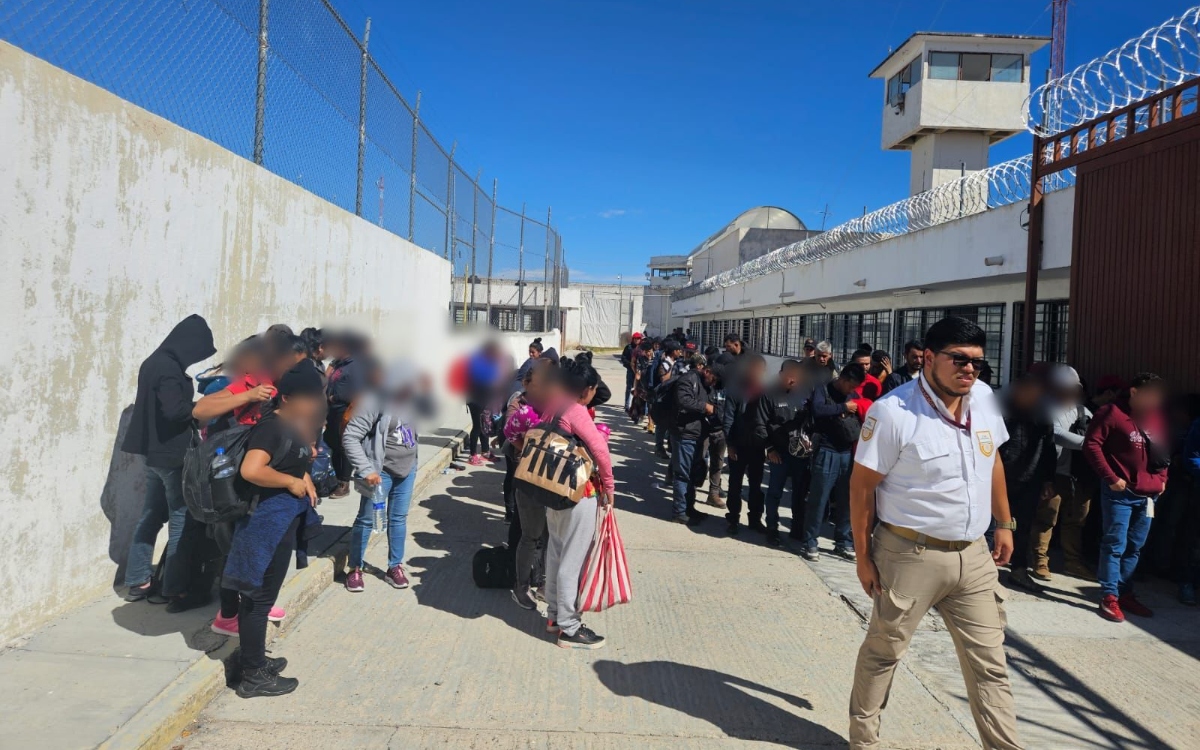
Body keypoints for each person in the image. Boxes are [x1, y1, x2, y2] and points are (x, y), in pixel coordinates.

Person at [848, 317, 1019, 750]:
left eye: (978, 363)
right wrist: (863, 557)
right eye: (958, 359)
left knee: (991, 665)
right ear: (927, 358)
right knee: (884, 654)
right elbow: (862, 487)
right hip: (909, 555)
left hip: (974, 557)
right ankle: (863, 741)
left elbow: (993, 460)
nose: (969, 371)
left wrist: (1004, 522)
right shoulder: (893, 412)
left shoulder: (983, 399)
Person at [224, 361, 324, 698]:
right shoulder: (271, 427)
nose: (314, 404)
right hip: (263, 525)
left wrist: (304, 476)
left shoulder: (289, 426)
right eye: (310, 398)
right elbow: (251, 470)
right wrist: (291, 481)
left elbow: (290, 462)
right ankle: (252, 675)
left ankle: (254, 660)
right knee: (256, 599)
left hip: (280, 523)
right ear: (288, 398)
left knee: (262, 598)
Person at [122, 315, 216, 604]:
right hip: (172, 455)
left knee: (150, 517)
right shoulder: (169, 369)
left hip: (154, 454)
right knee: (181, 519)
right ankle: (173, 587)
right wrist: (205, 406)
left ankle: (137, 580)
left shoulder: (153, 362)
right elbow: (175, 411)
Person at [538, 359, 615, 649]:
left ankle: (555, 616)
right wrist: (609, 486)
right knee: (573, 561)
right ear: (588, 390)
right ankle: (570, 627)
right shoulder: (577, 410)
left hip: (552, 490)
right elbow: (600, 450)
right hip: (578, 493)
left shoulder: (554, 405)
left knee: (556, 554)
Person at [1083, 372, 1170, 622]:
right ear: (1134, 392)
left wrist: (1163, 479)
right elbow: (1091, 445)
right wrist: (1111, 477)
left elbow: (1163, 449)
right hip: (1120, 493)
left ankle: (1125, 591)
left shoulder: (1156, 418)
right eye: (1150, 396)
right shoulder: (1112, 413)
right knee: (1115, 544)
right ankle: (1109, 595)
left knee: (1135, 546)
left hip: (1149, 495)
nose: (1154, 402)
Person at [341, 363, 430, 593]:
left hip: (406, 469)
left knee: (398, 518)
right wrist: (365, 469)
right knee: (366, 520)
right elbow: (350, 437)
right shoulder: (373, 401)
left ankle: (395, 567)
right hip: (377, 472)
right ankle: (355, 569)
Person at [1029, 365, 1096, 581]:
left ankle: (1073, 563)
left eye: (1072, 388)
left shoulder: (1083, 411)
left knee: (1076, 520)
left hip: (1078, 476)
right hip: (1053, 472)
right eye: (1063, 388)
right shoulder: (1044, 407)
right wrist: (1090, 444)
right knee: (1046, 518)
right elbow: (1056, 434)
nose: (1068, 392)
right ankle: (1039, 560)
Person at [998, 374, 1058, 592]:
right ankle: (984, 572)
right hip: (999, 481)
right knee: (990, 528)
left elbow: (1049, 449)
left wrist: (1048, 480)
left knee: (1023, 528)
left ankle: (1019, 571)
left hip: (1030, 480)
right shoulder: (1000, 412)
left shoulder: (1042, 415)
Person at [800, 363, 865, 561]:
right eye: (851, 386)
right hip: (826, 451)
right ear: (843, 379)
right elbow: (818, 410)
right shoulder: (822, 389)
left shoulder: (853, 397)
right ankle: (810, 542)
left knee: (846, 500)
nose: (852, 391)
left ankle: (843, 542)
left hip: (846, 452)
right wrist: (842, 408)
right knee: (819, 499)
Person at [507, 362, 552, 608]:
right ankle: (521, 586)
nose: (543, 390)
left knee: (549, 535)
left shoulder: (557, 408)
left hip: (553, 483)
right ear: (526, 384)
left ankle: (545, 583)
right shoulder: (521, 409)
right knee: (530, 535)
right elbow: (510, 435)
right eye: (539, 385)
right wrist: (529, 449)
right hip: (528, 481)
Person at [755, 359, 812, 547]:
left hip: (800, 454)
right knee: (775, 492)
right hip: (778, 452)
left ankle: (797, 528)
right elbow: (760, 424)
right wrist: (769, 448)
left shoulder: (804, 393)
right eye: (791, 376)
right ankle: (772, 527)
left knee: (799, 493)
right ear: (781, 375)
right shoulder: (769, 394)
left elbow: (810, 420)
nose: (794, 380)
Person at [667, 353, 717, 525]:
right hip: (684, 434)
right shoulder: (688, 380)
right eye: (713, 378)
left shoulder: (707, 385)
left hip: (699, 436)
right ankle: (679, 512)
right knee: (682, 474)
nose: (713, 382)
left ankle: (689, 507)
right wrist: (705, 407)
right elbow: (683, 401)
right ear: (707, 370)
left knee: (694, 474)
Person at [723, 355, 767, 535]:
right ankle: (733, 518)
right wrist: (730, 445)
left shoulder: (765, 392)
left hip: (757, 448)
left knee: (756, 486)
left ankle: (755, 519)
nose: (755, 374)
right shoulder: (735, 391)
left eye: (759, 370)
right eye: (753, 370)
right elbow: (728, 419)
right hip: (738, 446)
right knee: (735, 484)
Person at [324, 333, 371, 496]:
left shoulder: (355, 366)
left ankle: (343, 482)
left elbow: (358, 393)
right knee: (333, 445)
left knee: (344, 447)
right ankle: (336, 478)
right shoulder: (338, 364)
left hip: (346, 411)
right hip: (333, 410)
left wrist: (335, 397)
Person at [620, 332, 644, 410]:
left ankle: (638, 406)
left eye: (638, 338)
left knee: (640, 388)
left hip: (640, 372)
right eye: (635, 338)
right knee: (629, 387)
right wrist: (629, 364)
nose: (637, 340)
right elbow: (623, 358)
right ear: (633, 339)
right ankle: (627, 404)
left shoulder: (642, 348)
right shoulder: (628, 347)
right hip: (630, 371)